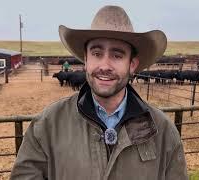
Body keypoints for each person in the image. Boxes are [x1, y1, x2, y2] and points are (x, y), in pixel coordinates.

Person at [10, 5, 188, 180]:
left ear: (132, 64)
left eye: (117, 55)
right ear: (86, 60)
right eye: (96, 53)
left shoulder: (163, 132)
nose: (104, 66)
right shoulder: (47, 126)